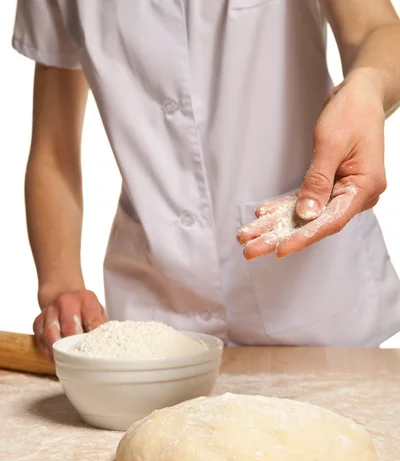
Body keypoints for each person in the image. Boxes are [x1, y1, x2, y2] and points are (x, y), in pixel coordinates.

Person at [12, 0, 400, 361]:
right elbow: (54, 149)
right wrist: (59, 283)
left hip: (317, 296)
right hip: (154, 305)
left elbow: (378, 30)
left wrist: (368, 86)